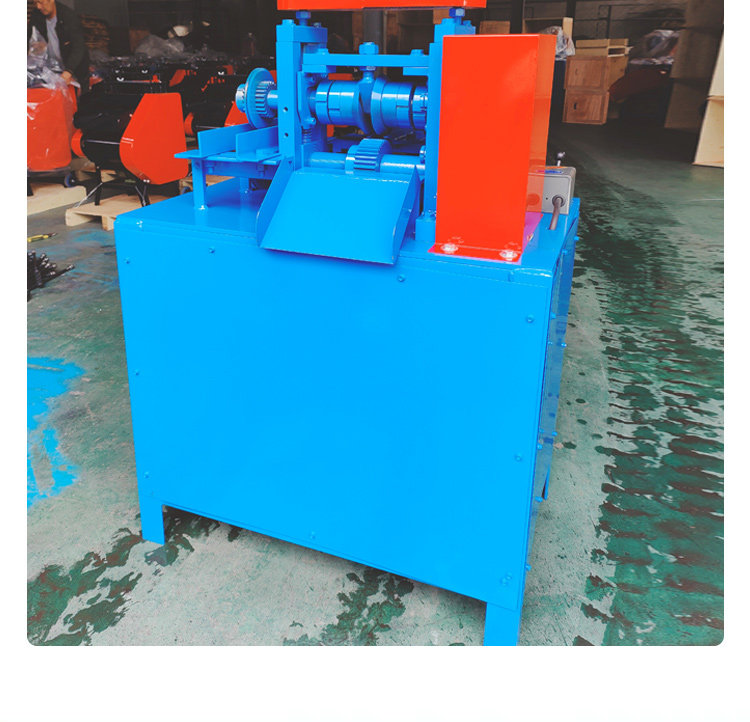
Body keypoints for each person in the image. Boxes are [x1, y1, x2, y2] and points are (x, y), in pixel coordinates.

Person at [28, 0, 90, 92]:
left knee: (74, 96)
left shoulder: (68, 16)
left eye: (41, 2)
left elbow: (79, 46)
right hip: (52, 68)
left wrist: (68, 71)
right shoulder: (37, 15)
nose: (38, 6)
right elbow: (28, 37)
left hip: (73, 68)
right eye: (35, 3)